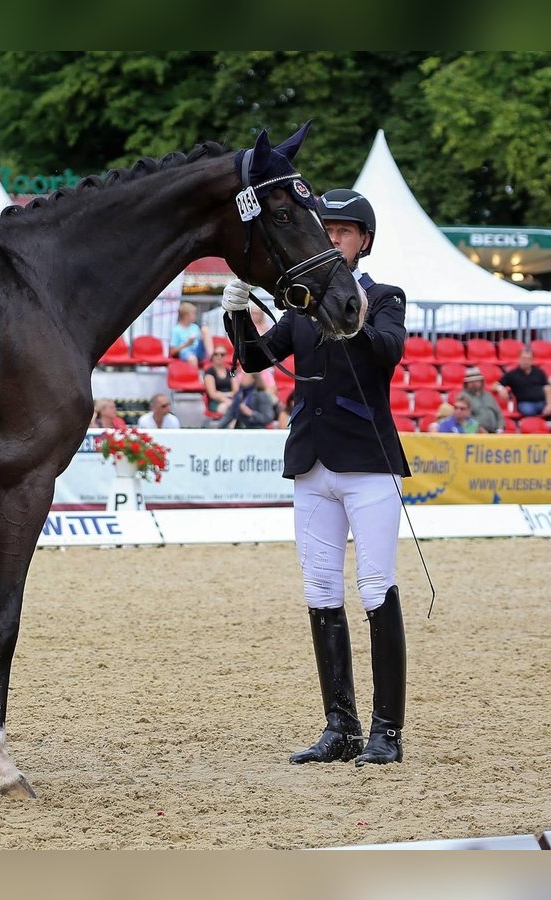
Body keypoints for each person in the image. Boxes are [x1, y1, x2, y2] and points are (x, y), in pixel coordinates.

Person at [221, 187, 408, 767]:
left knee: (375, 590)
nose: (333, 239)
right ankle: (341, 726)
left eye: (344, 232)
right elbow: (255, 359)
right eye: (326, 230)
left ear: (363, 242)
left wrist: (347, 320)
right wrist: (236, 316)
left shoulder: (382, 297)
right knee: (321, 592)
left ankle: (387, 732)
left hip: (368, 464)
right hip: (311, 461)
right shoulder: (302, 306)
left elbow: (389, 350)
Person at [209, 371, 275, 429]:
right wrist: (218, 428)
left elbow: (268, 418)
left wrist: (251, 413)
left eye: (245, 376)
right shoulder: (240, 395)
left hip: (257, 430)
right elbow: (230, 414)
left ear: (253, 378)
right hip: (241, 429)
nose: (242, 378)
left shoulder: (262, 395)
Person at [496, 348, 551, 418]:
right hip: (524, 404)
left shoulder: (539, 372)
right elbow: (497, 384)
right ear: (519, 359)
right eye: (524, 358)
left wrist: (549, 405)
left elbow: (547, 388)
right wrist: (500, 389)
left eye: (529, 359)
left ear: (532, 360)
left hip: (542, 402)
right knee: (528, 410)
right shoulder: (512, 374)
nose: (526, 361)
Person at [456, 367, 503, 433]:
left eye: (477, 380)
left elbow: (499, 414)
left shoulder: (488, 396)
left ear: (481, 381)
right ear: (466, 384)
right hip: (475, 432)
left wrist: (500, 428)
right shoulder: (463, 397)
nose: (474, 383)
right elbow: (464, 417)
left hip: (494, 432)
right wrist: (479, 428)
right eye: (471, 381)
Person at [169, 301, 212, 365]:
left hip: (197, 350)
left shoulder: (195, 327)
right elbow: (172, 352)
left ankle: (212, 356)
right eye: (193, 314)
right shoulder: (176, 330)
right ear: (186, 316)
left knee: (205, 329)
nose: (195, 316)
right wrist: (187, 344)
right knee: (192, 358)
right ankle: (195, 375)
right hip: (185, 351)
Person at [202, 346, 236, 415]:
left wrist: (222, 394)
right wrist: (226, 400)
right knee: (229, 410)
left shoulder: (230, 371)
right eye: (216, 354)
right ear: (213, 356)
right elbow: (213, 394)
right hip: (216, 402)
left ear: (225, 356)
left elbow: (236, 391)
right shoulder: (209, 372)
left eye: (222, 354)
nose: (219, 356)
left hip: (231, 400)